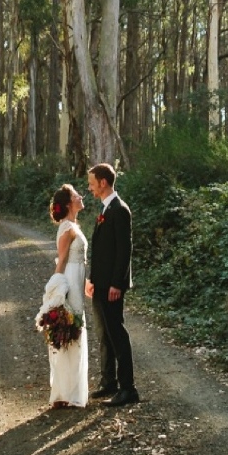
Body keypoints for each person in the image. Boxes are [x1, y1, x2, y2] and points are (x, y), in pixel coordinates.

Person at [85, 163, 138, 406]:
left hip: (112, 286)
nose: (91, 189)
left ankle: (128, 388)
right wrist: (92, 279)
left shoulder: (120, 210)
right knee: (103, 333)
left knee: (117, 333)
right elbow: (101, 252)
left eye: (92, 184)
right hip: (101, 283)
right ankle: (109, 382)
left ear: (103, 182)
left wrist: (117, 283)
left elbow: (124, 251)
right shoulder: (106, 209)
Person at [44, 183, 89, 408]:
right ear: (69, 203)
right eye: (75, 195)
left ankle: (73, 390)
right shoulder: (66, 228)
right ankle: (64, 393)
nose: (81, 196)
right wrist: (57, 292)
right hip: (69, 282)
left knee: (76, 330)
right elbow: (61, 261)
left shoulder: (73, 225)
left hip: (78, 279)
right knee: (70, 329)